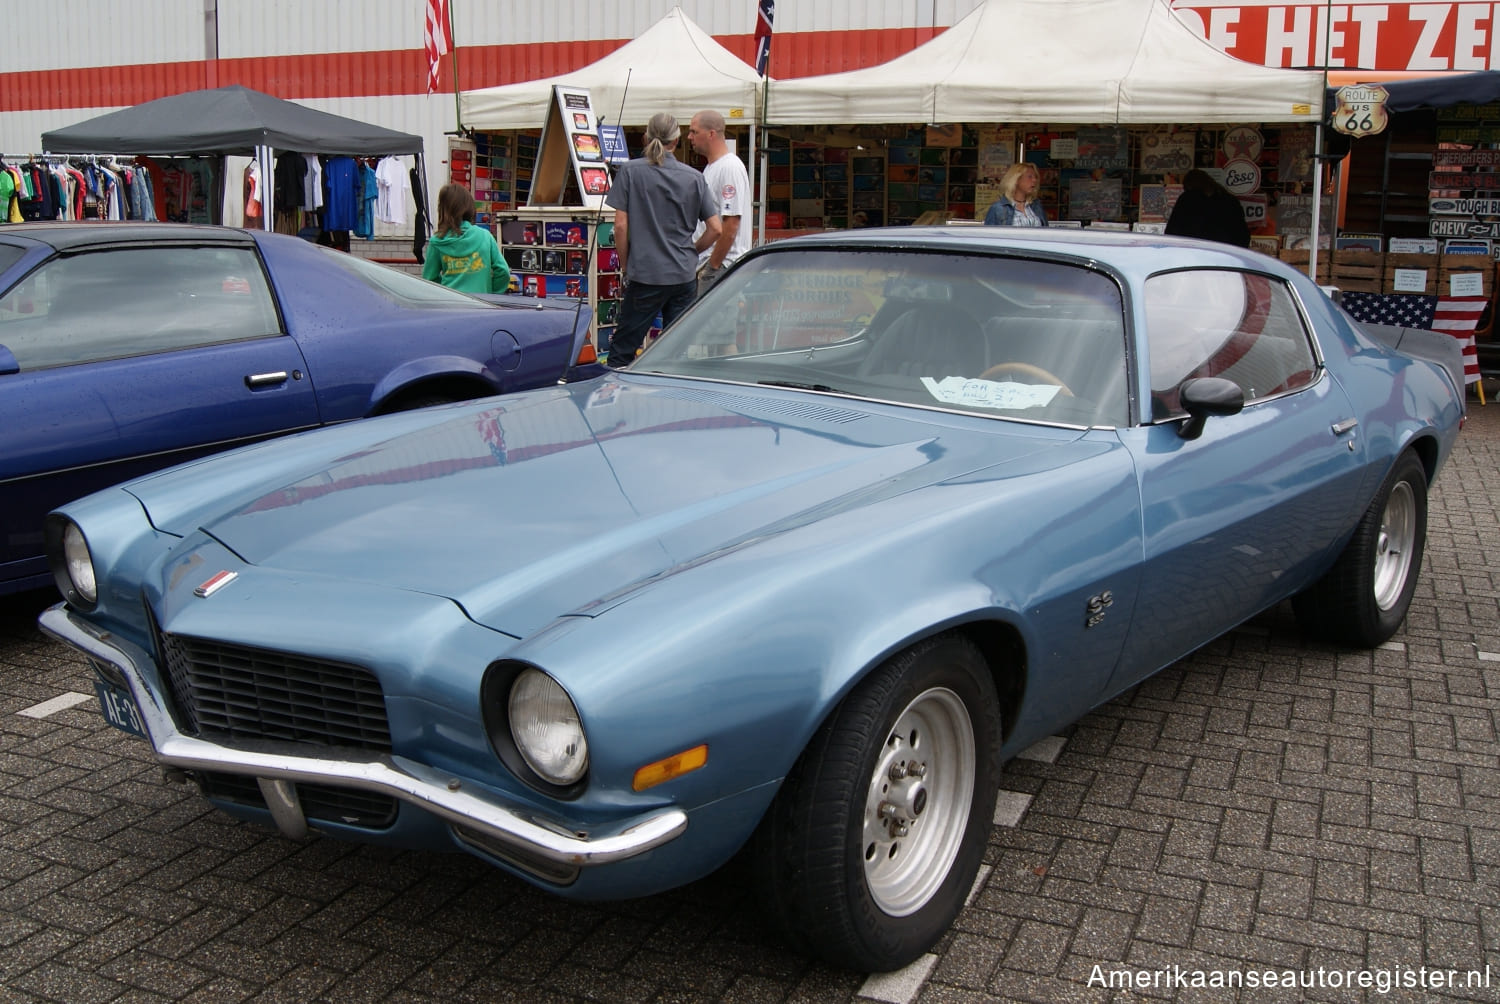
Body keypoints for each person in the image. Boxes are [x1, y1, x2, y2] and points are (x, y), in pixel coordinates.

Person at [604, 112, 721, 367]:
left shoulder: (630, 172)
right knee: (676, 354)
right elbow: (716, 229)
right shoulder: (695, 177)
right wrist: (691, 251)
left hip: (645, 274)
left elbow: (621, 226)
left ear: (646, 137)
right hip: (682, 274)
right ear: (677, 140)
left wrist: (626, 265)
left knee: (622, 352)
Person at [687, 110, 751, 298]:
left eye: (694, 132)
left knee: (716, 327)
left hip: (722, 265)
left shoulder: (729, 167)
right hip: (713, 264)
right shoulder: (712, 167)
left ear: (711, 134)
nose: (690, 137)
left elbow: (731, 225)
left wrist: (714, 266)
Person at [422, 183, 511, 293]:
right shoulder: (485, 236)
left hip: (450, 304)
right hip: (481, 304)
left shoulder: (437, 241)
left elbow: (429, 280)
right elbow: (503, 271)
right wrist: (492, 294)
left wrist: (445, 293)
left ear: (442, 209)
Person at [1165, 169, 1251, 247]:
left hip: (1195, 254)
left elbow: (1172, 232)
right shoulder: (1229, 200)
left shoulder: (1187, 199)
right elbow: (1242, 235)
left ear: (1188, 185)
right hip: (1225, 254)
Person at [983, 163, 1049, 227]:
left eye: (1035, 177)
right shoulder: (998, 208)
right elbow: (989, 235)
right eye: (1030, 176)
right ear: (1016, 179)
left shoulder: (1036, 205)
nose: (1034, 180)